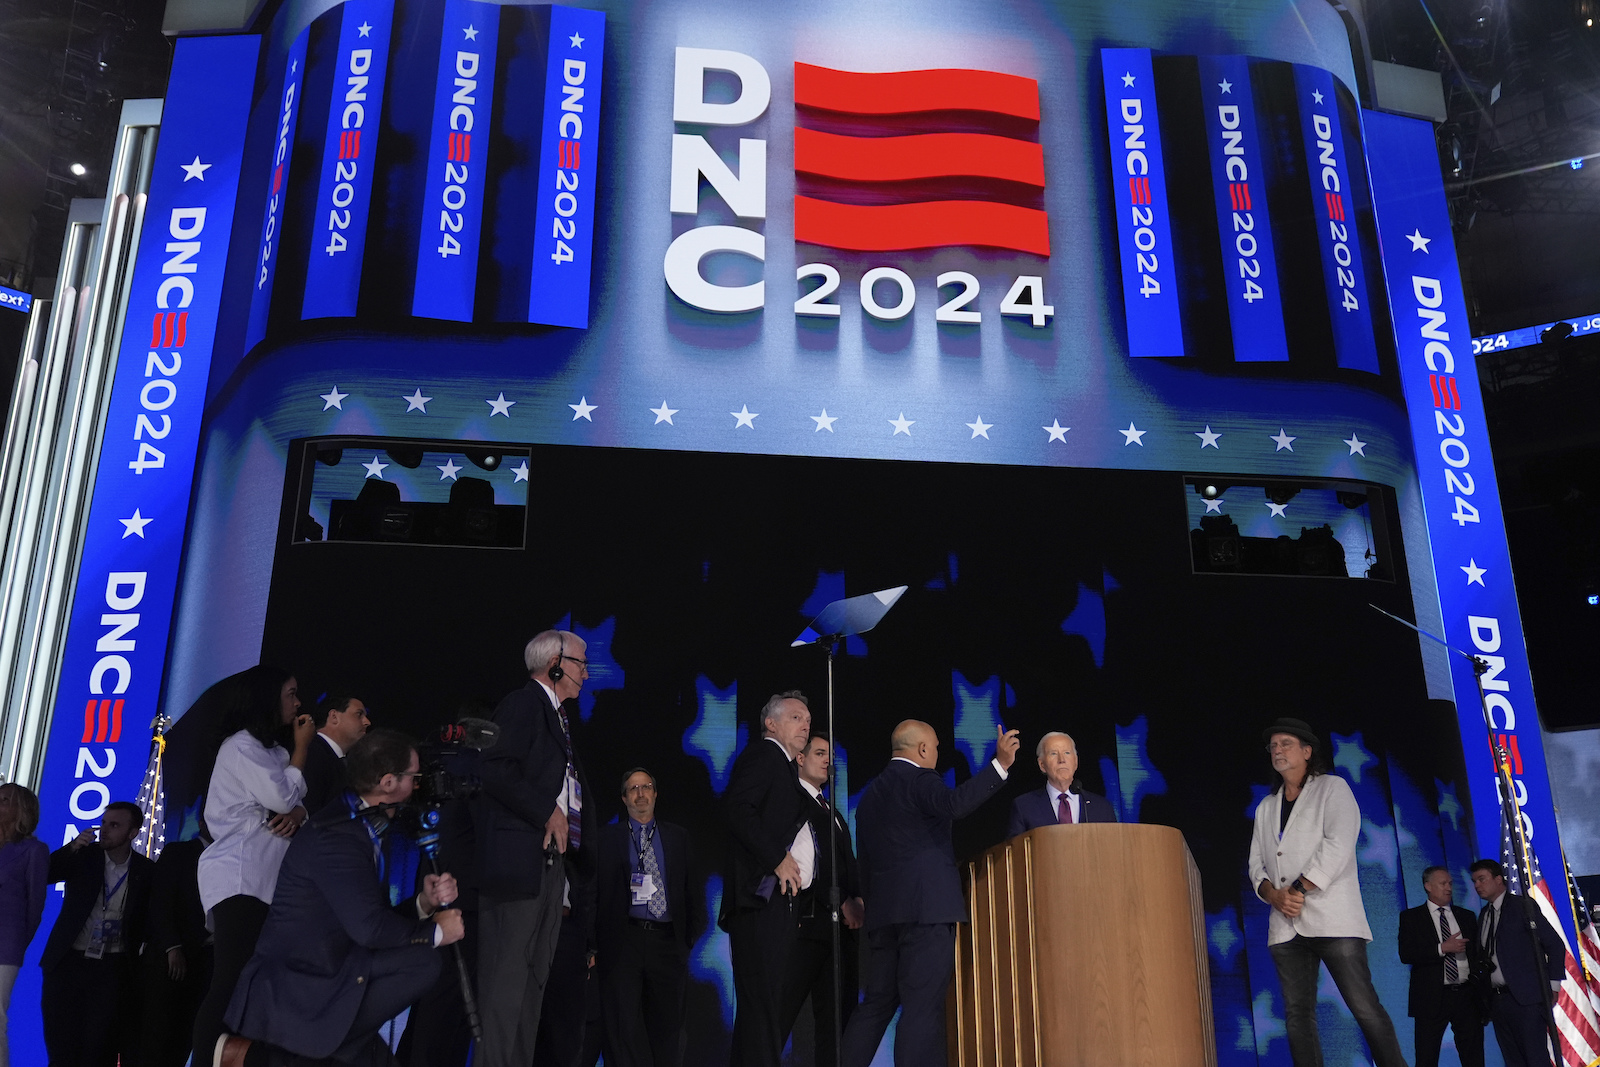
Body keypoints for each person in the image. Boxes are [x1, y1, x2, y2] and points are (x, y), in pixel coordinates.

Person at [217, 728, 464, 1067]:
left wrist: (424, 903)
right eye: (414, 776)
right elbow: (370, 930)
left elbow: (368, 915)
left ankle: (262, 1057)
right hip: (303, 978)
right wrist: (436, 932)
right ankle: (266, 1058)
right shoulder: (340, 835)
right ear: (389, 783)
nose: (419, 784)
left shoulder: (364, 821)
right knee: (423, 961)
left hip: (341, 964)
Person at [839, 719, 1020, 1067]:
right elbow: (954, 805)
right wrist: (1000, 765)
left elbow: (865, 860)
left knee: (876, 1006)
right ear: (922, 749)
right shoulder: (920, 779)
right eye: (935, 747)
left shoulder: (871, 797)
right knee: (922, 1009)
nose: (936, 753)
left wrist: (870, 906)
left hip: (884, 918)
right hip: (926, 913)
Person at [1247, 717, 1407, 1067]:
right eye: (1273, 746)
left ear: (1307, 751)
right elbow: (1256, 864)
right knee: (1297, 1016)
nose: (1277, 750)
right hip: (1285, 925)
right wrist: (1273, 895)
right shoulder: (1266, 808)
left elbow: (1338, 845)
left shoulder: (1332, 788)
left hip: (1333, 919)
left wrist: (1298, 888)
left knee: (1364, 1007)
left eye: (1285, 743)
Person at [475, 630, 591, 1067]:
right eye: (581, 663)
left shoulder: (558, 716)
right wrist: (547, 811)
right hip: (518, 867)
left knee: (533, 984)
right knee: (505, 989)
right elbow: (495, 767)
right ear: (554, 664)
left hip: (549, 865)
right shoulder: (524, 703)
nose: (586, 673)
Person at [193, 666, 316, 1063]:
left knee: (253, 982)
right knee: (230, 979)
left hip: (266, 880)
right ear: (267, 697)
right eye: (290, 694)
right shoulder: (241, 746)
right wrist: (302, 751)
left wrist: (299, 811)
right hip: (239, 873)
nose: (298, 703)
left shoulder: (272, 752)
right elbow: (283, 798)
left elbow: (295, 807)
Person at [722, 691, 813, 1067]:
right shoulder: (764, 755)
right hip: (757, 901)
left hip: (771, 903)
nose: (805, 725)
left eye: (808, 720)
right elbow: (738, 810)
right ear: (771, 724)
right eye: (796, 718)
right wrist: (777, 858)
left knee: (762, 1007)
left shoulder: (786, 766)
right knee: (762, 1007)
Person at [39, 800, 154, 1066]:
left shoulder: (146, 871)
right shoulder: (83, 856)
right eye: (103, 823)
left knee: (98, 1048)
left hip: (112, 967)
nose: (105, 830)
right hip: (68, 963)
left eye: (114, 825)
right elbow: (44, 873)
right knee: (61, 1048)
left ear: (133, 832)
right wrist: (70, 848)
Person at [596, 768, 697, 1067]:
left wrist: (686, 941)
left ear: (655, 793)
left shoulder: (678, 837)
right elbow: (595, 892)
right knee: (621, 1026)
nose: (640, 794)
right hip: (623, 940)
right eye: (633, 788)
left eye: (646, 787)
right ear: (624, 797)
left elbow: (691, 891)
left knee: (668, 1028)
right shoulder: (606, 838)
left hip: (666, 941)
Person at [781, 734, 863, 1067]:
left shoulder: (832, 811)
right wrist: (840, 898)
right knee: (780, 1013)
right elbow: (807, 866)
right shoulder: (793, 803)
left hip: (837, 933)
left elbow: (848, 862)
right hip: (805, 928)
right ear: (799, 759)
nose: (827, 760)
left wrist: (856, 897)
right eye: (819, 753)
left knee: (837, 1023)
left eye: (830, 754)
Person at [1470, 858, 1565, 1067]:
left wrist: (1553, 986)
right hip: (1497, 1002)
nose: (1477, 885)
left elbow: (1555, 945)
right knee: (1513, 1061)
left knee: (1535, 1058)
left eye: (1481, 879)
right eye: (1474, 881)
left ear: (1498, 879)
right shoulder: (1485, 915)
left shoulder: (1522, 906)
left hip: (1526, 1000)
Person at [141, 821, 214, 1067]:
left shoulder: (235, 856)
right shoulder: (178, 852)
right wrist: (172, 946)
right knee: (159, 1033)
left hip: (211, 958)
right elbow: (161, 901)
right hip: (173, 957)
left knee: (189, 1033)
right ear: (204, 821)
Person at [1398, 865, 1486, 1067]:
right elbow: (1406, 954)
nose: (1448, 888)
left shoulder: (1466, 916)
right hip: (1431, 997)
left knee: (1473, 1057)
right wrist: (1442, 948)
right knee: (1426, 1057)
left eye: (1450, 883)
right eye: (1443, 883)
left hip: (1466, 996)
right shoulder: (1411, 918)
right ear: (1428, 886)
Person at [0, 783, 48, 1067]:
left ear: (22, 810)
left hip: (6, 943)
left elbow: (35, 908)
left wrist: (17, 941)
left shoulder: (34, 850)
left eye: (5, 800)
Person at [1005, 731, 1118, 834]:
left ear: (1076, 762)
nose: (1061, 760)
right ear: (1042, 765)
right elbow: (1015, 852)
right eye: (1053, 753)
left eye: (1067, 753)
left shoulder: (1101, 807)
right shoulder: (1024, 807)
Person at [303, 693, 372, 815]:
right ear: (334, 716)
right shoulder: (312, 753)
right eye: (359, 714)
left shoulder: (341, 761)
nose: (367, 722)